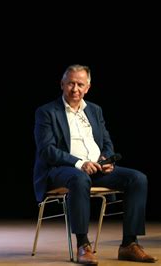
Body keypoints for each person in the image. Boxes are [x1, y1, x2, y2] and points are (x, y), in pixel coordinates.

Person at [33, 64, 158, 264]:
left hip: (95, 168)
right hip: (60, 170)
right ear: (62, 84)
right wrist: (80, 163)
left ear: (88, 88)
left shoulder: (95, 110)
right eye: (71, 83)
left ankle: (129, 244)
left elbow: (106, 142)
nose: (75, 89)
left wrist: (105, 160)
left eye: (80, 84)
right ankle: (83, 244)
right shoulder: (47, 112)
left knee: (137, 179)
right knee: (80, 179)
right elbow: (47, 150)